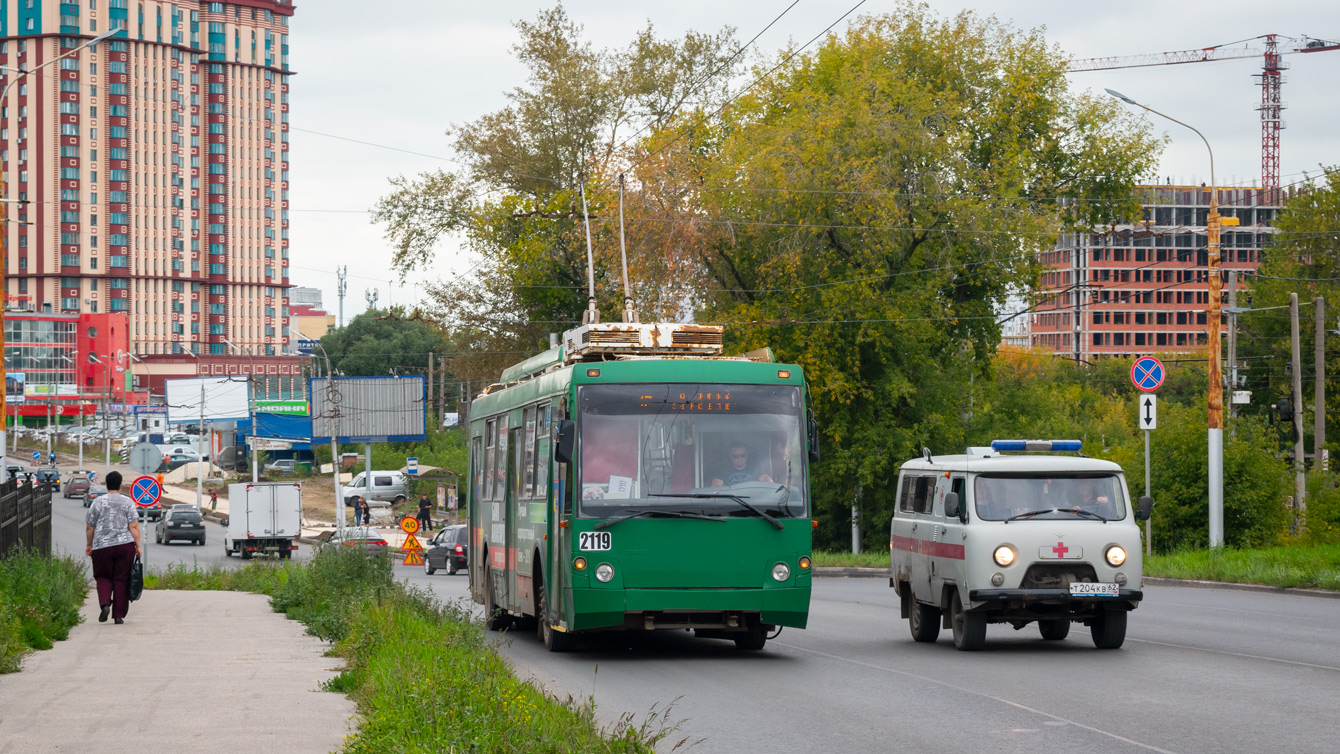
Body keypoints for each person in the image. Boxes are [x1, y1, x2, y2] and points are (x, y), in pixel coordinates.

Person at [85, 471, 142, 625]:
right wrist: (138, 545)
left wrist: (89, 545)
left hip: (102, 547)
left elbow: (90, 527)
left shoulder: (97, 502)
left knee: (103, 576)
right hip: (124, 546)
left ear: (106, 485)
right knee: (121, 579)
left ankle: (104, 604)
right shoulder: (127, 502)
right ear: (120, 485)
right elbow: (134, 525)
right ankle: (118, 615)